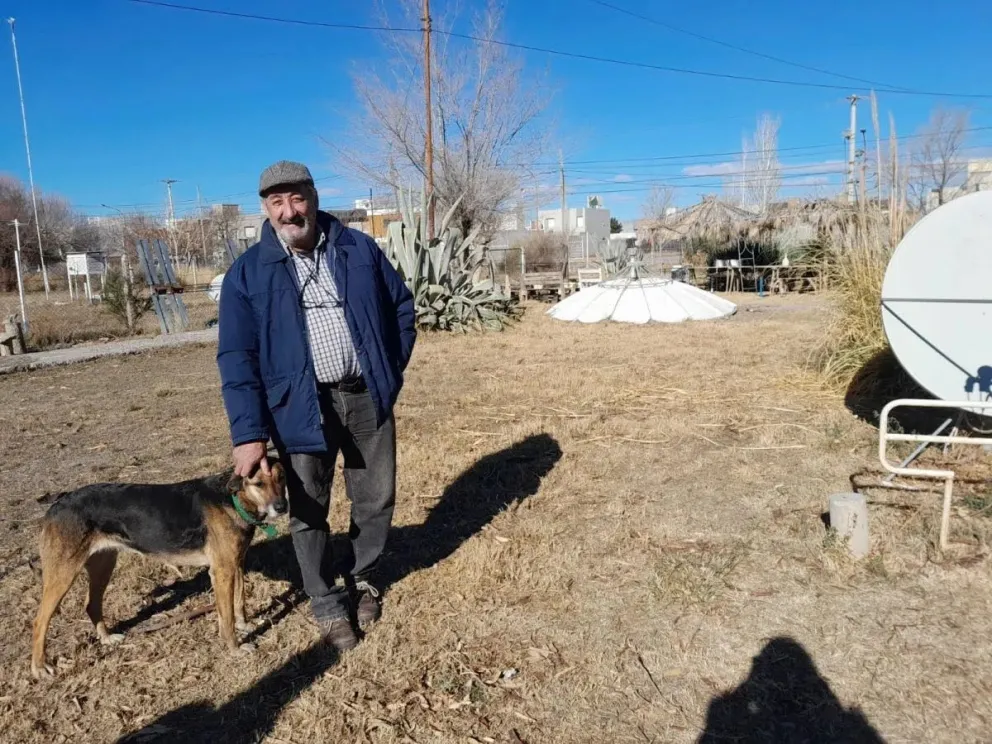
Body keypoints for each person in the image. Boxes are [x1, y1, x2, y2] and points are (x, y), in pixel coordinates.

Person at [216, 160, 416, 651]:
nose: (289, 211)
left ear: (313, 197)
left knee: (376, 497)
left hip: (366, 394)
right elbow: (236, 358)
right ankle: (324, 600)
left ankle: (364, 576)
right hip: (298, 405)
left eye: (297, 198)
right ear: (266, 209)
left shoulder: (358, 248)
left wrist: (388, 370)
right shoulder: (247, 273)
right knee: (307, 506)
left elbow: (401, 308)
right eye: (277, 202)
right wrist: (248, 433)